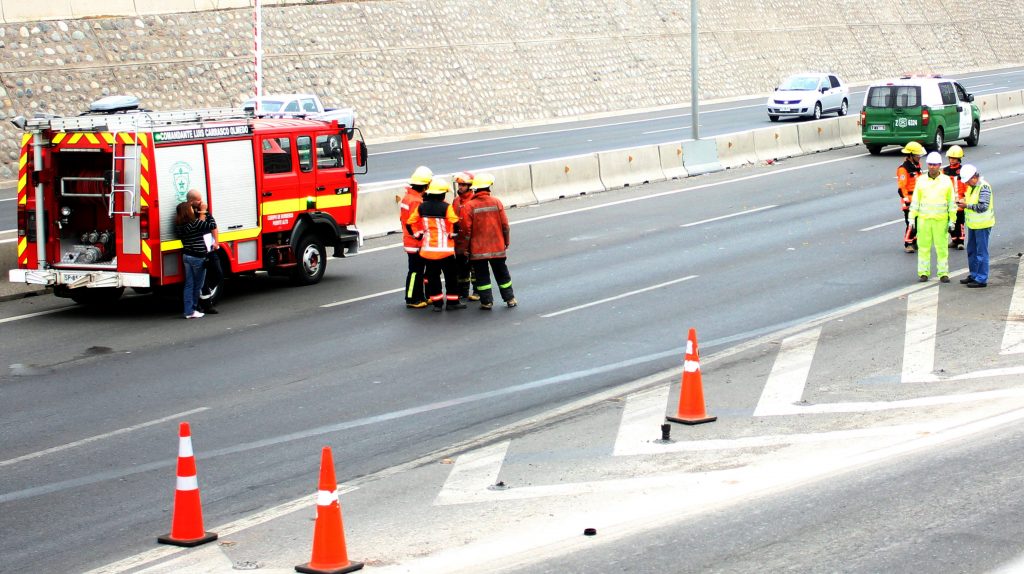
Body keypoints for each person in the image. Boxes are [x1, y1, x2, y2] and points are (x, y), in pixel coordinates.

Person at [406, 178, 465, 311]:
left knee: (433, 278)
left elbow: (410, 222)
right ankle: (452, 302)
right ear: (442, 194)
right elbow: (455, 222)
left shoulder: (422, 206)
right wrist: (453, 235)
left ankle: (437, 304)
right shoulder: (446, 207)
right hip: (445, 250)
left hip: (428, 251)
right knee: (451, 277)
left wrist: (417, 235)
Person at [463, 173, 517, 309]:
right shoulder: (496, 202)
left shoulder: (469, 206)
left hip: (478, 249)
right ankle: (510, 298)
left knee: (482, 277)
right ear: (488, 188)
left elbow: (466, 231)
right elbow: (505, 225)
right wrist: (506, 241)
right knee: (502, 273)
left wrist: (466, 248)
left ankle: (486, 302)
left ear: (474, 189)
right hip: (497, 246)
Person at [908, 152, 956, 283]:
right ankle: (923, 272)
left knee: (942, 248)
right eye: (930, 164)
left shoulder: (946, 181)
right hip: (924, 220)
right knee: (923, 247)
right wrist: (911, 218)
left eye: (935, 165)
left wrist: (953, 220)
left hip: (940, 220)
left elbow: (951, 202)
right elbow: (915, 201)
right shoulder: (921, 180)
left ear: (940, 165)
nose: (932, 167)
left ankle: (943, 273)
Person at [174, 197, 217, 318]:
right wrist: (203, 211)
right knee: (197, 285)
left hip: (186, 256)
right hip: (198, 258)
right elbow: (211, 225)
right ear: (188, 212)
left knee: (189, 284)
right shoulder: (195, 224)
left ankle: (188, 310)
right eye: (191, 209)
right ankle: (192, 310)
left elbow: (203, 225)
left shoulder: (179, 226)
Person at [957, 164, 994, 288]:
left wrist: (966, 206)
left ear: (974, 177)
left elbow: (983, 206)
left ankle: (981, 279)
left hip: (983, 225)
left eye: (967, 181)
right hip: (973, 224)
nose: (966, 184)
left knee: (981, 253)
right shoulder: (971, 188)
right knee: (972, 251)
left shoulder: (984, 187)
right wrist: (963, 202)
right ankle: (974, 275)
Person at [401, 166, 432, 308]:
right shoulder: (416, 201)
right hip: (415, 242)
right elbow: (416, 224)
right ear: (425, 185)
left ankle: (420, 296)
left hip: (410, 240)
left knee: (417, 271)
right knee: (415, 271)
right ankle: (412, 298)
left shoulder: (408, 197)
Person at [187, 189, 222, 314]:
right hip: (198, 251)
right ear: (191, 202)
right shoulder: (188, 213)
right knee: (202, 279)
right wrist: (202, 211)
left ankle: (205, 294)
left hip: (209, 248)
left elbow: (213, 225)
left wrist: (216, 241)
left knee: (218, 273)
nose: (201, 201)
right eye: (198, 199)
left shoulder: (204, 212)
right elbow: (199, 226)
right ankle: (206, 305)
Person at [451, 171, 478, 301]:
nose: (460, 187)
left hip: (471, 242)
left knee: (475, 270)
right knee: (461, 270)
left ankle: (478, 291)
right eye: (459, 185)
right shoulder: (456, 201)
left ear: (469, 186)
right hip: (459, 242)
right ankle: (463, 292)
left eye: (463, 185)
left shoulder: (474, 201)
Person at [897, 141, 925, 253]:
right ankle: (908, 243)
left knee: (919, 222)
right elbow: (901, 188)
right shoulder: (903, 169)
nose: (919, 157)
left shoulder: (917, 166)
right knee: (911, 222)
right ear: (911, 156)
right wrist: (907, 201)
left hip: (918, 199)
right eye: (917, 155)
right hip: (909, 200)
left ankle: (914, 241)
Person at [943, 145, 967, 250]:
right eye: (950, 158)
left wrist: (965, 198)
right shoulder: (945, 171)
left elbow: (966, 185)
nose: (952, 160)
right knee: (950, 221)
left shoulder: (963, 171)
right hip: (949, 201)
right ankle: (954, 239)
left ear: (959, 159)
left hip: (960, 200)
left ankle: (960, 241)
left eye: (954, 158)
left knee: (960, 222)